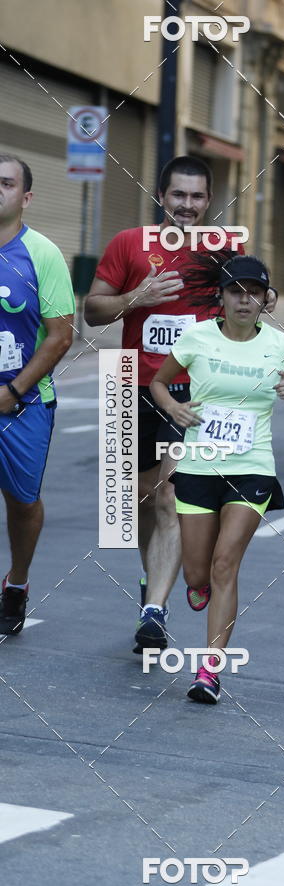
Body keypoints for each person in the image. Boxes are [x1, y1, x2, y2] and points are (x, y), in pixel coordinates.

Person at [84, 156, 276, 652]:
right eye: (178, 195)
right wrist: (136, 297)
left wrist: (260, 307)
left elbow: (248, 307)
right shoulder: (130, 243)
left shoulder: (225, 249)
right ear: (161, 196)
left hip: (194, 391)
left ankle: (154, 610)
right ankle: (154, 579)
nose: (187, 205)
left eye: (196, 197)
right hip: (129, 381)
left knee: (170, 496)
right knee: (138, 501)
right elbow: (93, 310)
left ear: (209, 201)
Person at [150, 254, 284, 703]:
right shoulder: (197, 337)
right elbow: (159, 383)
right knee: (197, 573)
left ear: (265, 300)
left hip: (252, 466)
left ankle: (209, 670)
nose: (245, 300)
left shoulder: (279, 346)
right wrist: (174, 408)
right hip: (199, 465)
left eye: (254, 293)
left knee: (226, 563)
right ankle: (198, 585)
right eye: (236, 292)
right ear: (220, 297)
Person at [0, 155, 75, 634]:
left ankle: (17, 582)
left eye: (6, 183)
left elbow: (61, 335)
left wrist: (14, 390)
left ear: (25, 197)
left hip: (22, 404)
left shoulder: (42, 254)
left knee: (22, 501)